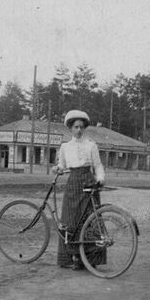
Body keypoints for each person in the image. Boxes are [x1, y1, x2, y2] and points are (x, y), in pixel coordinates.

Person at [52, 110, 105, 270]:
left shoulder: (91, 145)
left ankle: (91, 258)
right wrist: (57, 168)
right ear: (70, 128)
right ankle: (74, 257)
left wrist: (100, 178)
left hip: (89, 182)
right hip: (73, 183)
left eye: (81, 127)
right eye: (75, 127)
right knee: (70, 220)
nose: (79, 130)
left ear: (85, 128)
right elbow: (62, 165)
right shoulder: (65, 147)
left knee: (91, 219)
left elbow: (97, 165)